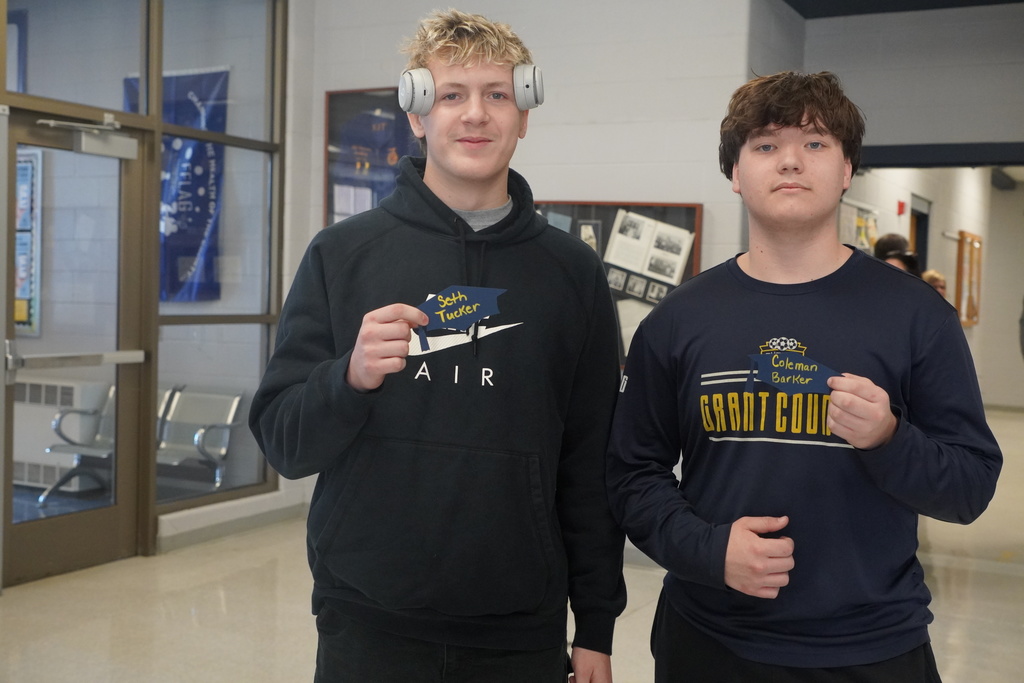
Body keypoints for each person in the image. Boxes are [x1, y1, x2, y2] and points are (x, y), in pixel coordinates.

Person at [249, 9, 625, 683]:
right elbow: (283, 440)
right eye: (452, 94)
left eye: (498, 94)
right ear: (417, 114)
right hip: (366, 619)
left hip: (519, 631)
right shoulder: (343, 255)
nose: (475, 114)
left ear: (525, 113)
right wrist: (350, 377)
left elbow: (591, 464)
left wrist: (595, 625)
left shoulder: (573, 273)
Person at [606, 71, 1002, 682]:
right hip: (710, 643)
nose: (790, 159)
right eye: (765, 145)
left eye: (815, 143)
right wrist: (708, 551)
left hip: (871, 647)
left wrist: (889, 439)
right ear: (735, 174)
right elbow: (632, 475)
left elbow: (970, 487)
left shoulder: (915, 315)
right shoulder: (679, 319)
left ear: (847, 170)